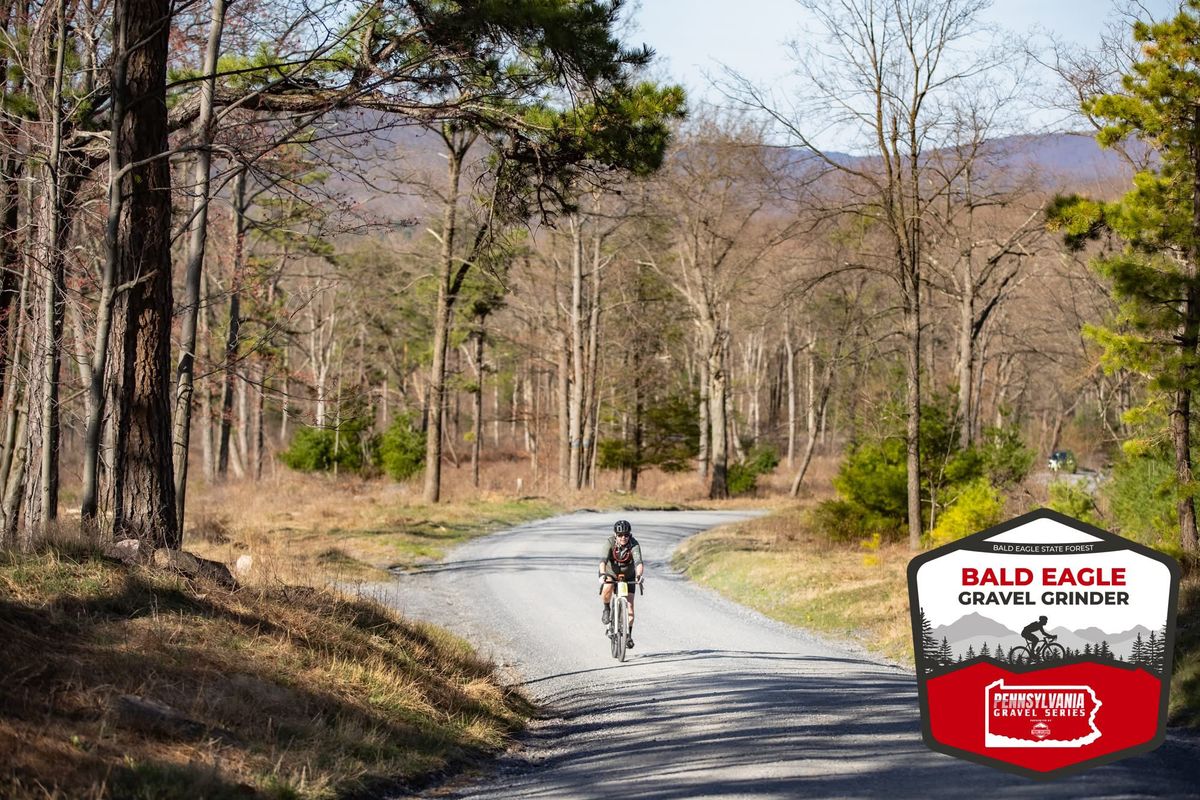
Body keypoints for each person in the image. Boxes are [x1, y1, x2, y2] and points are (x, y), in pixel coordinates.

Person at [599, 519, 643, 649]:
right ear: (615, 535)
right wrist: (602, 574)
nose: (623, 537)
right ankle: (606, 608)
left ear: (629, 535)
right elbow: (602, 561)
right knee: (607, 587)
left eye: (626, 535)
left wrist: (639, 576)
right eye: (620, 535)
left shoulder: (634, 544)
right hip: (610, 573)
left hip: (628, 575)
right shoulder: (609, 543)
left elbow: (639, 563)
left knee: (630, 607)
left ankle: (628, 635)